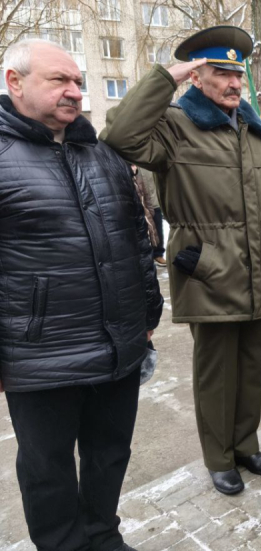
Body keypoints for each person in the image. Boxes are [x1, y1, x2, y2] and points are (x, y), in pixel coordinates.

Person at [102, 26, 261, 495]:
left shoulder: (255, 131)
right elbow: (119, 135)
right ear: (197, 77)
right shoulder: (173, 125)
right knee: (216, 372)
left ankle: (246, 444)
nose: (234, 83)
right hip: (207, 267)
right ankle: (220, 457)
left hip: (256, 267)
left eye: (238, 74)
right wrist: (165, 78)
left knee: (251, 365)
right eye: (220, 73)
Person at [1, 39, 163, 551]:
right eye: (60, 81)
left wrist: (148, 313)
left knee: (110, 453)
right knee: (47, 471)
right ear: (15, 82)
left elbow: (136, 239)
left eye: (78, 82)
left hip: (118, 343)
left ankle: (103, 535)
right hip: (40, 356)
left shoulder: (102, 153)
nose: (74, 92)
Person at [138, 166, 166, 266]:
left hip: (153, 201)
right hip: (138, 202)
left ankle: (158, 253)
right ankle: (143, 256)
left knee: (158, 228)